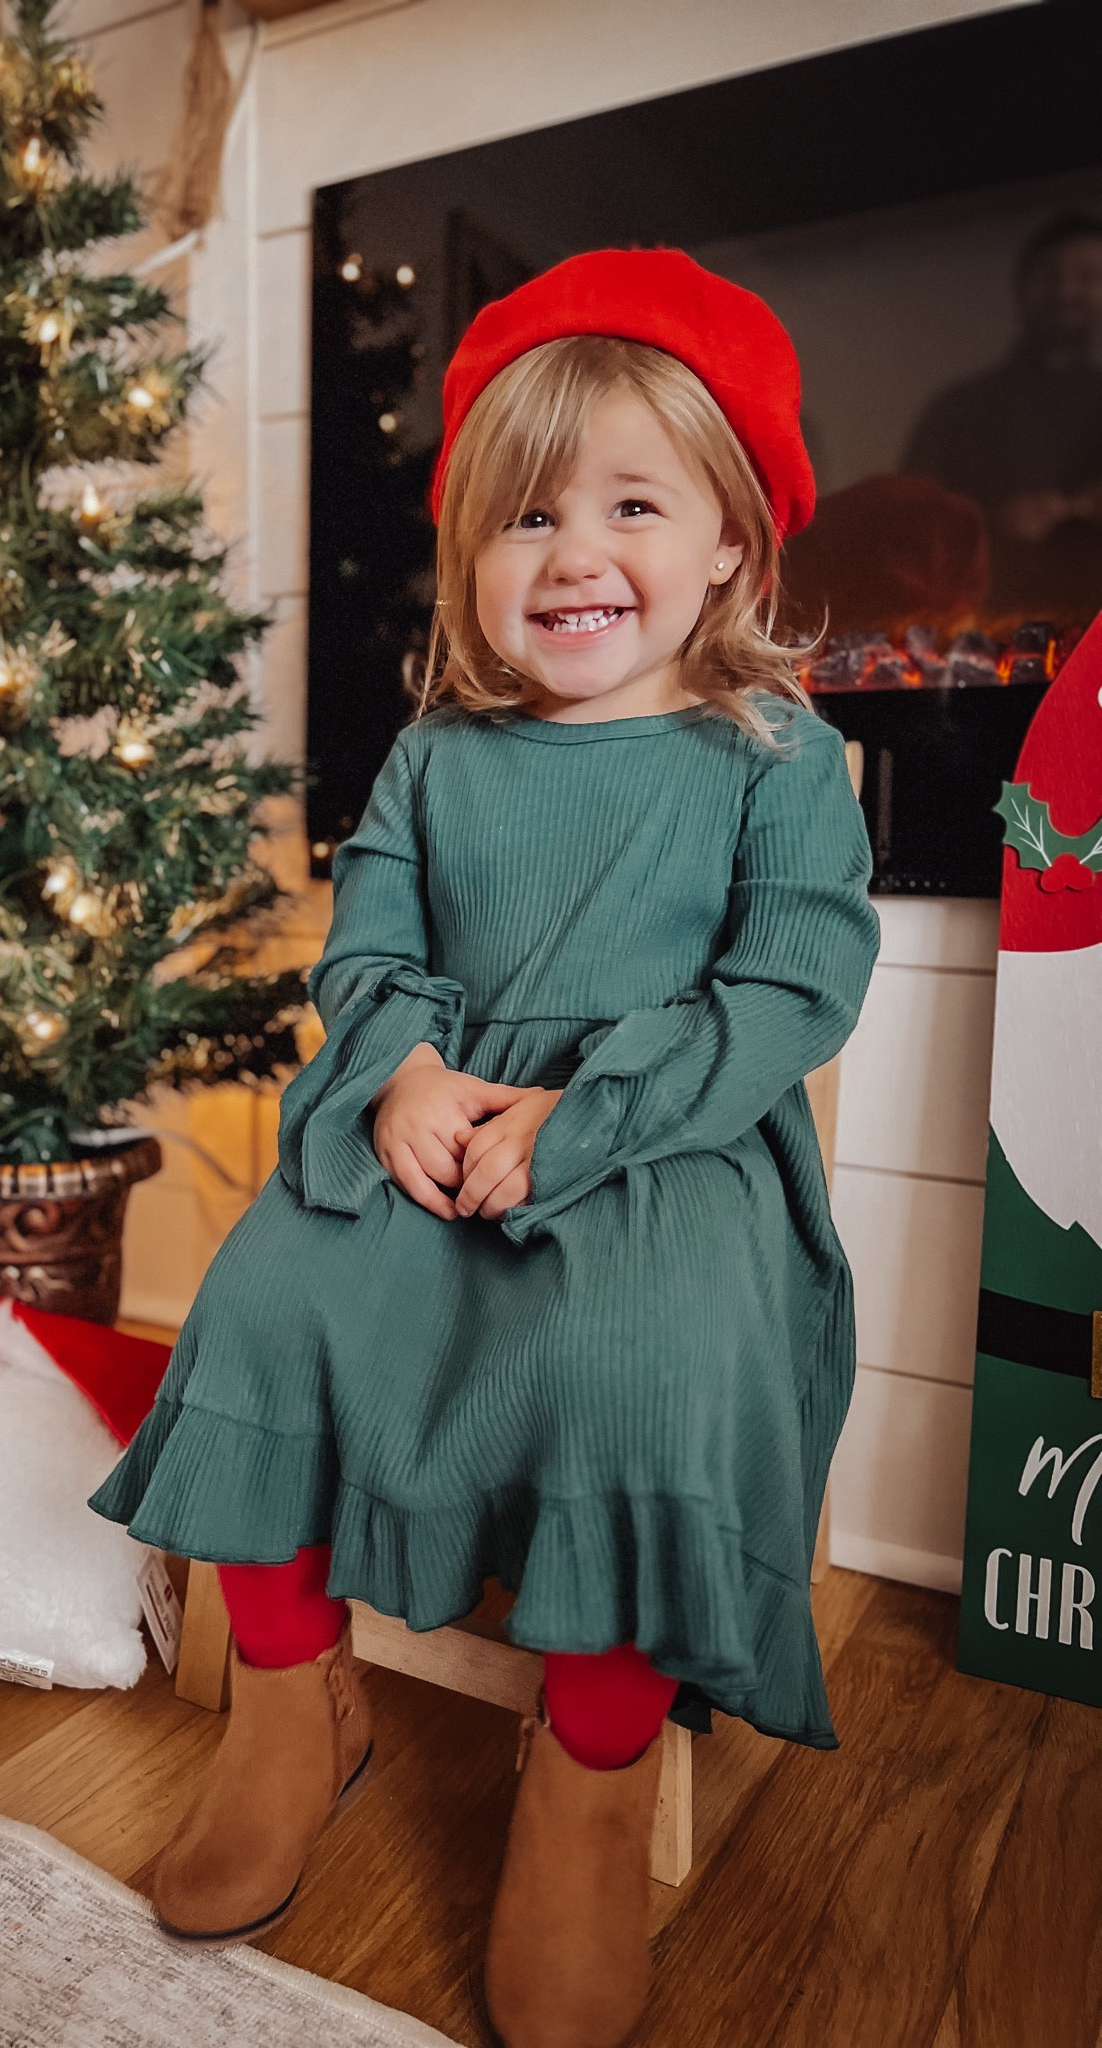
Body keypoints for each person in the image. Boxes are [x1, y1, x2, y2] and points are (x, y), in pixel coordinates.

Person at [92, 247, 878, 2048]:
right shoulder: (437, 757)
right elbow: (366, 954)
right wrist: (399, 1073)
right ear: (470, 557)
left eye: (630, 505)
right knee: (268, 1298)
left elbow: (792, 983)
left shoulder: (774, 753)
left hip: (666, 1147)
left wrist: (593, 1110)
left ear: (730, 544)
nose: (574, 552)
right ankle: (294, 1702)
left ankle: (589, 1769)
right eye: (527, 515)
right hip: (438, 1120)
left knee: (643, 1366)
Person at [903, 213, 1102, 623]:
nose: (1067, 291)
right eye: (1052, 275)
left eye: (1088, 277)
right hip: (988, 629)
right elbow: (907, 522)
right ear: (1023, 286)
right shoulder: (958, 408)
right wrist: (992, 521)